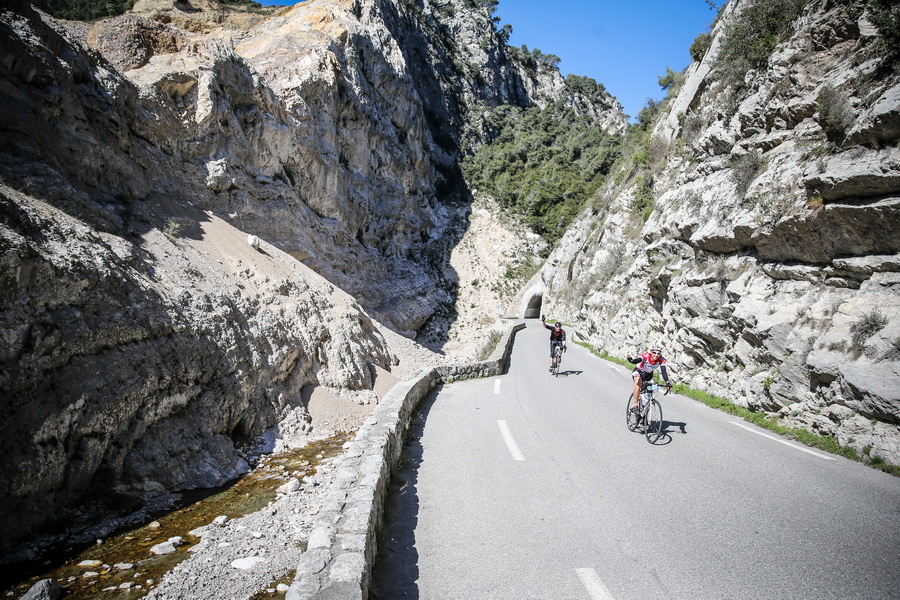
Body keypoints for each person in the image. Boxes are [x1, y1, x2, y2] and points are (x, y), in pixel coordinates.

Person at [626, 345, 672, 414]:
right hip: (639, 372)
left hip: (648, 376)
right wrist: (631, 360)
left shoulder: (661, 360)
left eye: (658, 353)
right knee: (638, 384)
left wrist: (667, 383)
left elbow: (663, 372)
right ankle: (635, 405)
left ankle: (644, 414)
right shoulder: (646, 356)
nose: (656, 355)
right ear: (651, 352)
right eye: (654, 352)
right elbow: (637, 360)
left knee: (649, 394)